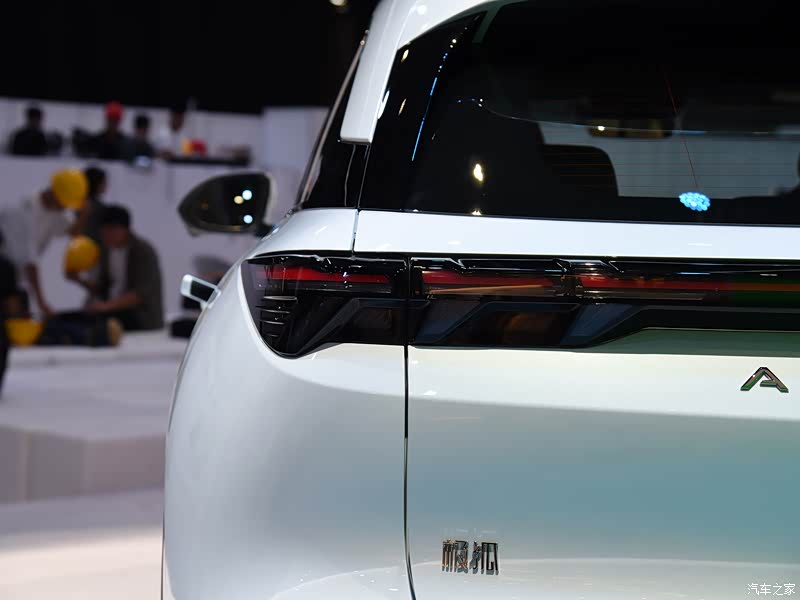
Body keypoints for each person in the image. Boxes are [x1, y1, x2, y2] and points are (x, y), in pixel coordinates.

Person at [0, 168, 87, 318]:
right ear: (54, 193)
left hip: (14, 278)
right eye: (64, 203)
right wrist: (42, 303)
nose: (66, 207)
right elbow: (30, 264)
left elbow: (72, 232)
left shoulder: (55, 212)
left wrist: (84, 214)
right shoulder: (24, 211)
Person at [72, 205, 163, 330]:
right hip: (111, 310)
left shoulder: (142, 252)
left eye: (111, 231)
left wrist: (106, 306)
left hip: (139, 315)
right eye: (104, 231)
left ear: (125, 229)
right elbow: (102, 287)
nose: (107, 235)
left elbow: (141, 294)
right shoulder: (106, 251)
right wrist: (77, 279)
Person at [82, 166, 108, 243]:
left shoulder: (78, 203)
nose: (106, 185)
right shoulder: (99, 208)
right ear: (97, 184)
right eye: (104, 182)